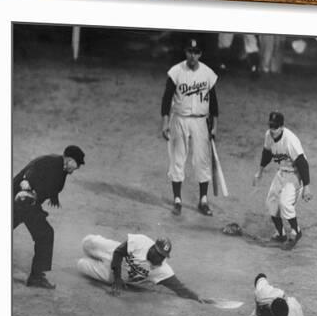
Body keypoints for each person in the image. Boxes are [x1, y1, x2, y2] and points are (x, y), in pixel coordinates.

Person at [161, 37, 219, 216]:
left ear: (200, 54)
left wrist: (215, 126)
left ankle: (203, 200)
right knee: (178, 159)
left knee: (202, 160)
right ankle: (177, 200)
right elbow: (166, 98)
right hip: (179, 119)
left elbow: (214, 103)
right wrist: (165, 122)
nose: (192, 55)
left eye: (195, 52)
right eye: (189, 51)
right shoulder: (176, 71)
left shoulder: (208, 73)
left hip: (201, 121)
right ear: (185, 52)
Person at [13, 145, 85, 289]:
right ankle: (36, 277)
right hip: (19, 200)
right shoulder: (50, 162)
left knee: (44, 234)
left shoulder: (62, 168)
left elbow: (47, 188)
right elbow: (28, 176)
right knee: (45, 234)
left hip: (28, 204)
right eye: (76, 165)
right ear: (70, 160)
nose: (76, 169)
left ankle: (37, 277)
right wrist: (26, 189)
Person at [77, 233, 202, 301]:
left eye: (163, 256)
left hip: (109, 274)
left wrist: (197, 297)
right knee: (87, 242)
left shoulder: (162, 270)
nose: (160, 258)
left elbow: (180, 288)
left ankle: (91, 264)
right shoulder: (141, 242)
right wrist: (117, 278)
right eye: (159, 254)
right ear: (153, 248)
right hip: (112, 253)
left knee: (81, 265)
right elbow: (118, 252)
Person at [253, 111, 312, 248]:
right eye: (271, 126)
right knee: (271, 203)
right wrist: (260, 172)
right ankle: (280, 234)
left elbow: (302, 163)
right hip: (282, 173)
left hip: (295, 174)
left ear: (281, 127)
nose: (272, 130)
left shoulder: (290, 140)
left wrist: (307, 186)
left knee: (285, 203)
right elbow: (267, 153)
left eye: (275, 127)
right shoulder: (269, 135)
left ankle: (296, 231)